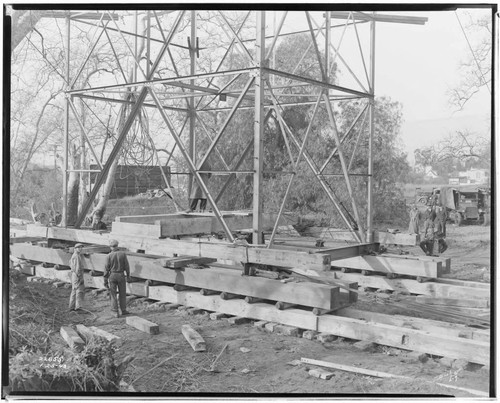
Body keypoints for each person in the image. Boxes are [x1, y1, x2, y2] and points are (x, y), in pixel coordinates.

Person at [103, 239, 131, 318]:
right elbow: (127, 266)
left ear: (111, 247)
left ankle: (115, 312)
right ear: (117, 246)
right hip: (121, 275)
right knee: (122, 293)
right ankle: (124, 310)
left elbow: (106, 269)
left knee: (113, 294)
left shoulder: (108, 256)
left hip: (113, 275)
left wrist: (105, 280)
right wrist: (128, 276)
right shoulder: (123, 254)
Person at [69, 243, 86, 312]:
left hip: (74, 275)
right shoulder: (77, 256)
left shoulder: (74, 255)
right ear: (75, 248)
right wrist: (80, 277)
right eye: (79, 247)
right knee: (79, 291)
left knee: (74, 290)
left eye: (81, 247)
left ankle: (71, 307)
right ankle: (79, 307)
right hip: (77, 275)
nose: (80, 249)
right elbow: (78, 268)